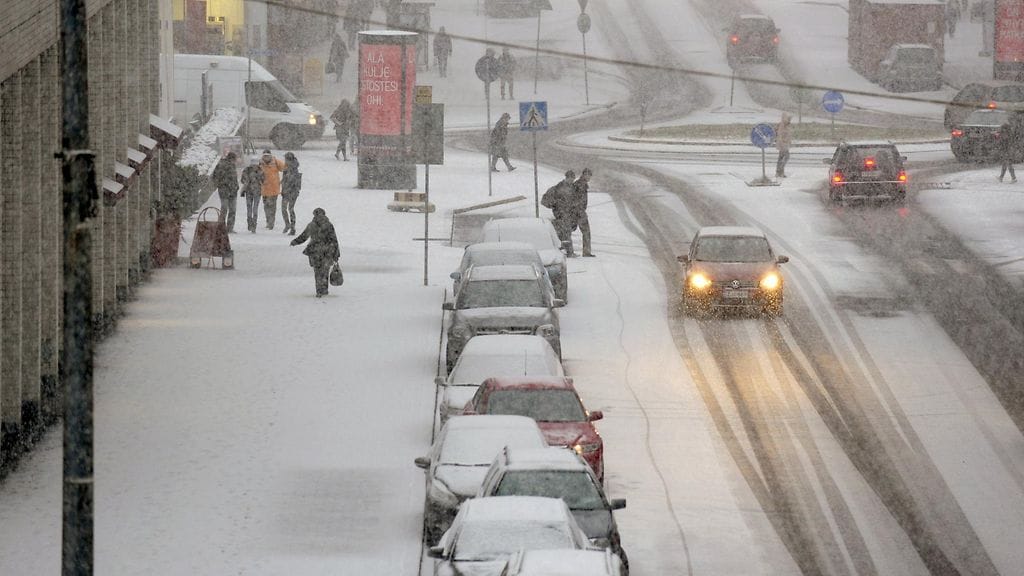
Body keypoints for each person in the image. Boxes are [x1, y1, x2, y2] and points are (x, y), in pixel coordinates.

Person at [290, 207, 341, 298]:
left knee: (317, 272)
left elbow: (303, 237)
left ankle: (319, 290)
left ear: (314, 215)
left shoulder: (311, 225)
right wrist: (336, 254)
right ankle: (324, 289)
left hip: (315, 251)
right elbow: (334, 240)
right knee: (325, 271)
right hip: (327, 251)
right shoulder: (329, 225)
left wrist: (295, 242)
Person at [542, 170, 576, 255]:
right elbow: (545, 201)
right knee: (564, 234)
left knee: (565, 234)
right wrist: (555, 204)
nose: (572, 181)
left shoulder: (573, 188)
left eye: (573, 179)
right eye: (571, 178)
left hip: (568, 215)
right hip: (560, 215)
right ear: (566, 178)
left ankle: (567, 252)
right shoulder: (557, 188)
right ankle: (568, 252)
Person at [211, 151, 239, 233]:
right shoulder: (221, 165)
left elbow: (234, 178)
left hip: (232, 191)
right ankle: (223, 227)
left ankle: (226, 227)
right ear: (232, 158)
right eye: (235, 159)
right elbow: (215, 177)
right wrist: (221, 184)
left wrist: (236, 186)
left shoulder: (232, 165)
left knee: (230, 209)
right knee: (226, 209)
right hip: (225, 191)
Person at [259, 149, 286, 230]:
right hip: (264, 189)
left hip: (274, 189)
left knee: (272, 207)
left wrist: (284, 180)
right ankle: (268, 221)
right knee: (266, 206)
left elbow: (285, 168)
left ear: (270, 156)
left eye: (267, 156)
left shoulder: (276, 162)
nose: (266, 158)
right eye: (265, 156)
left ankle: (271, 223)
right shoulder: (259, 163)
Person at [570, 168, 595, 257]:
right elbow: (577, 199)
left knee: (569, 230)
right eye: (588, 175)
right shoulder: (580, 185)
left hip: (577, 211)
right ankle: (586, 252)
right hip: (579, 212)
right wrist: (579, 211)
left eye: (590, 176)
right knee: (586, 231)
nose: (589, 178)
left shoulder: (580, 184)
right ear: (584, 175)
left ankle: (568, 250)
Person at [240, 157, 265, 233]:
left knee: (254, 209)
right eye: (253, 165)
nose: (255, 166)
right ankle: (250, 224)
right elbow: (242, 180)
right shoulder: (250, 171)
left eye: (256, 165)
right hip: (250, 192)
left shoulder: (259, 171)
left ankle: (253, 225)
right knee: (250, 208)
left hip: (255, 192)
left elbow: (263, 181)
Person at [280, 152, 302, 235]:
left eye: (286, 159)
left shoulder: (294, 170)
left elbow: (293, 183)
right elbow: (285, 180)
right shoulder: (286, 169)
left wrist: (287, 188)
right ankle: (287, 224)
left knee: (290, 209)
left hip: (292, 193)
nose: (285, 161)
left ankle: (292, 228)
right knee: (284, 209)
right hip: (286, 192)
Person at [998, 117, 1018, 183]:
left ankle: (1013, 178)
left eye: (1002, 130)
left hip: (1008, 151)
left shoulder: (1007, 137)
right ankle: (1001, 177)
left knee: (1008, 164)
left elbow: (1007, 144)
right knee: (1005, 164)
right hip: (1007, 151)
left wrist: (1006, 150)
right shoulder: (1008, 135)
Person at [775, 112, 792, 178]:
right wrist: (783, 143)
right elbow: (780, 135)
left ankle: (779, 172)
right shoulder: (782, 126)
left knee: (781, 158)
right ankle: (779, 172)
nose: (790, 120)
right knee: (785, 157)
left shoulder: (786, 125)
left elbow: (788, 135)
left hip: (784, 144)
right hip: (783, 145)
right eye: (789, 119)